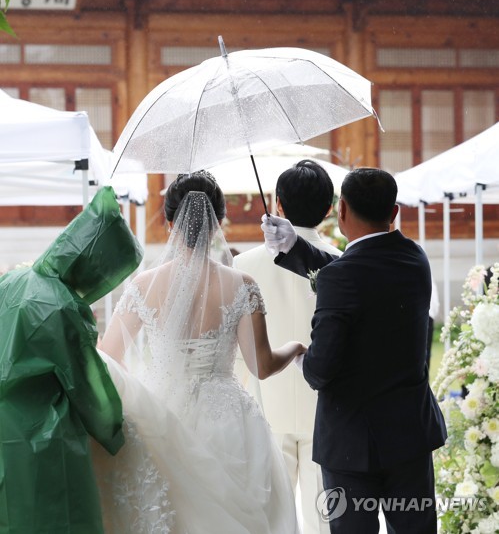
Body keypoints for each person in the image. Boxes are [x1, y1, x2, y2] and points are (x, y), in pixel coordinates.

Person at [97, 170, 304, 533]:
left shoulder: (144, 285)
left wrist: (141, 391)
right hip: (226, 420)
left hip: (161, 412)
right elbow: (262, 366)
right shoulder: (242, 285)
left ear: (170, 223)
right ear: (217, 222)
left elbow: (107, 357)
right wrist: (295, 347)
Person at [262, 167, 447, 534]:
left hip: (350, 443)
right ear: (393, 212)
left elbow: (320, 370)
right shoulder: (415, 260)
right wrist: (294, 248)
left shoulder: (342, 277)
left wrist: (300, 357)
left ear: (342, 209)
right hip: (409, 435)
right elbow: (358, 273)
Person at [0, 186, 143, 533]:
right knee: (55, 518)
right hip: (44, 437)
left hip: (5, 428)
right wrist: (115, 432)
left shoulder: (12, 280)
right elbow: (86, 381)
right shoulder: (62, 306)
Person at [233, 160, 341, 534]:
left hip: (266, 404)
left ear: (277, 204)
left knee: (272, 520)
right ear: (330, 208)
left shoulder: (243, 265)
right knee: (325, 518)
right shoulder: (343, 265)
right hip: (325, 408)